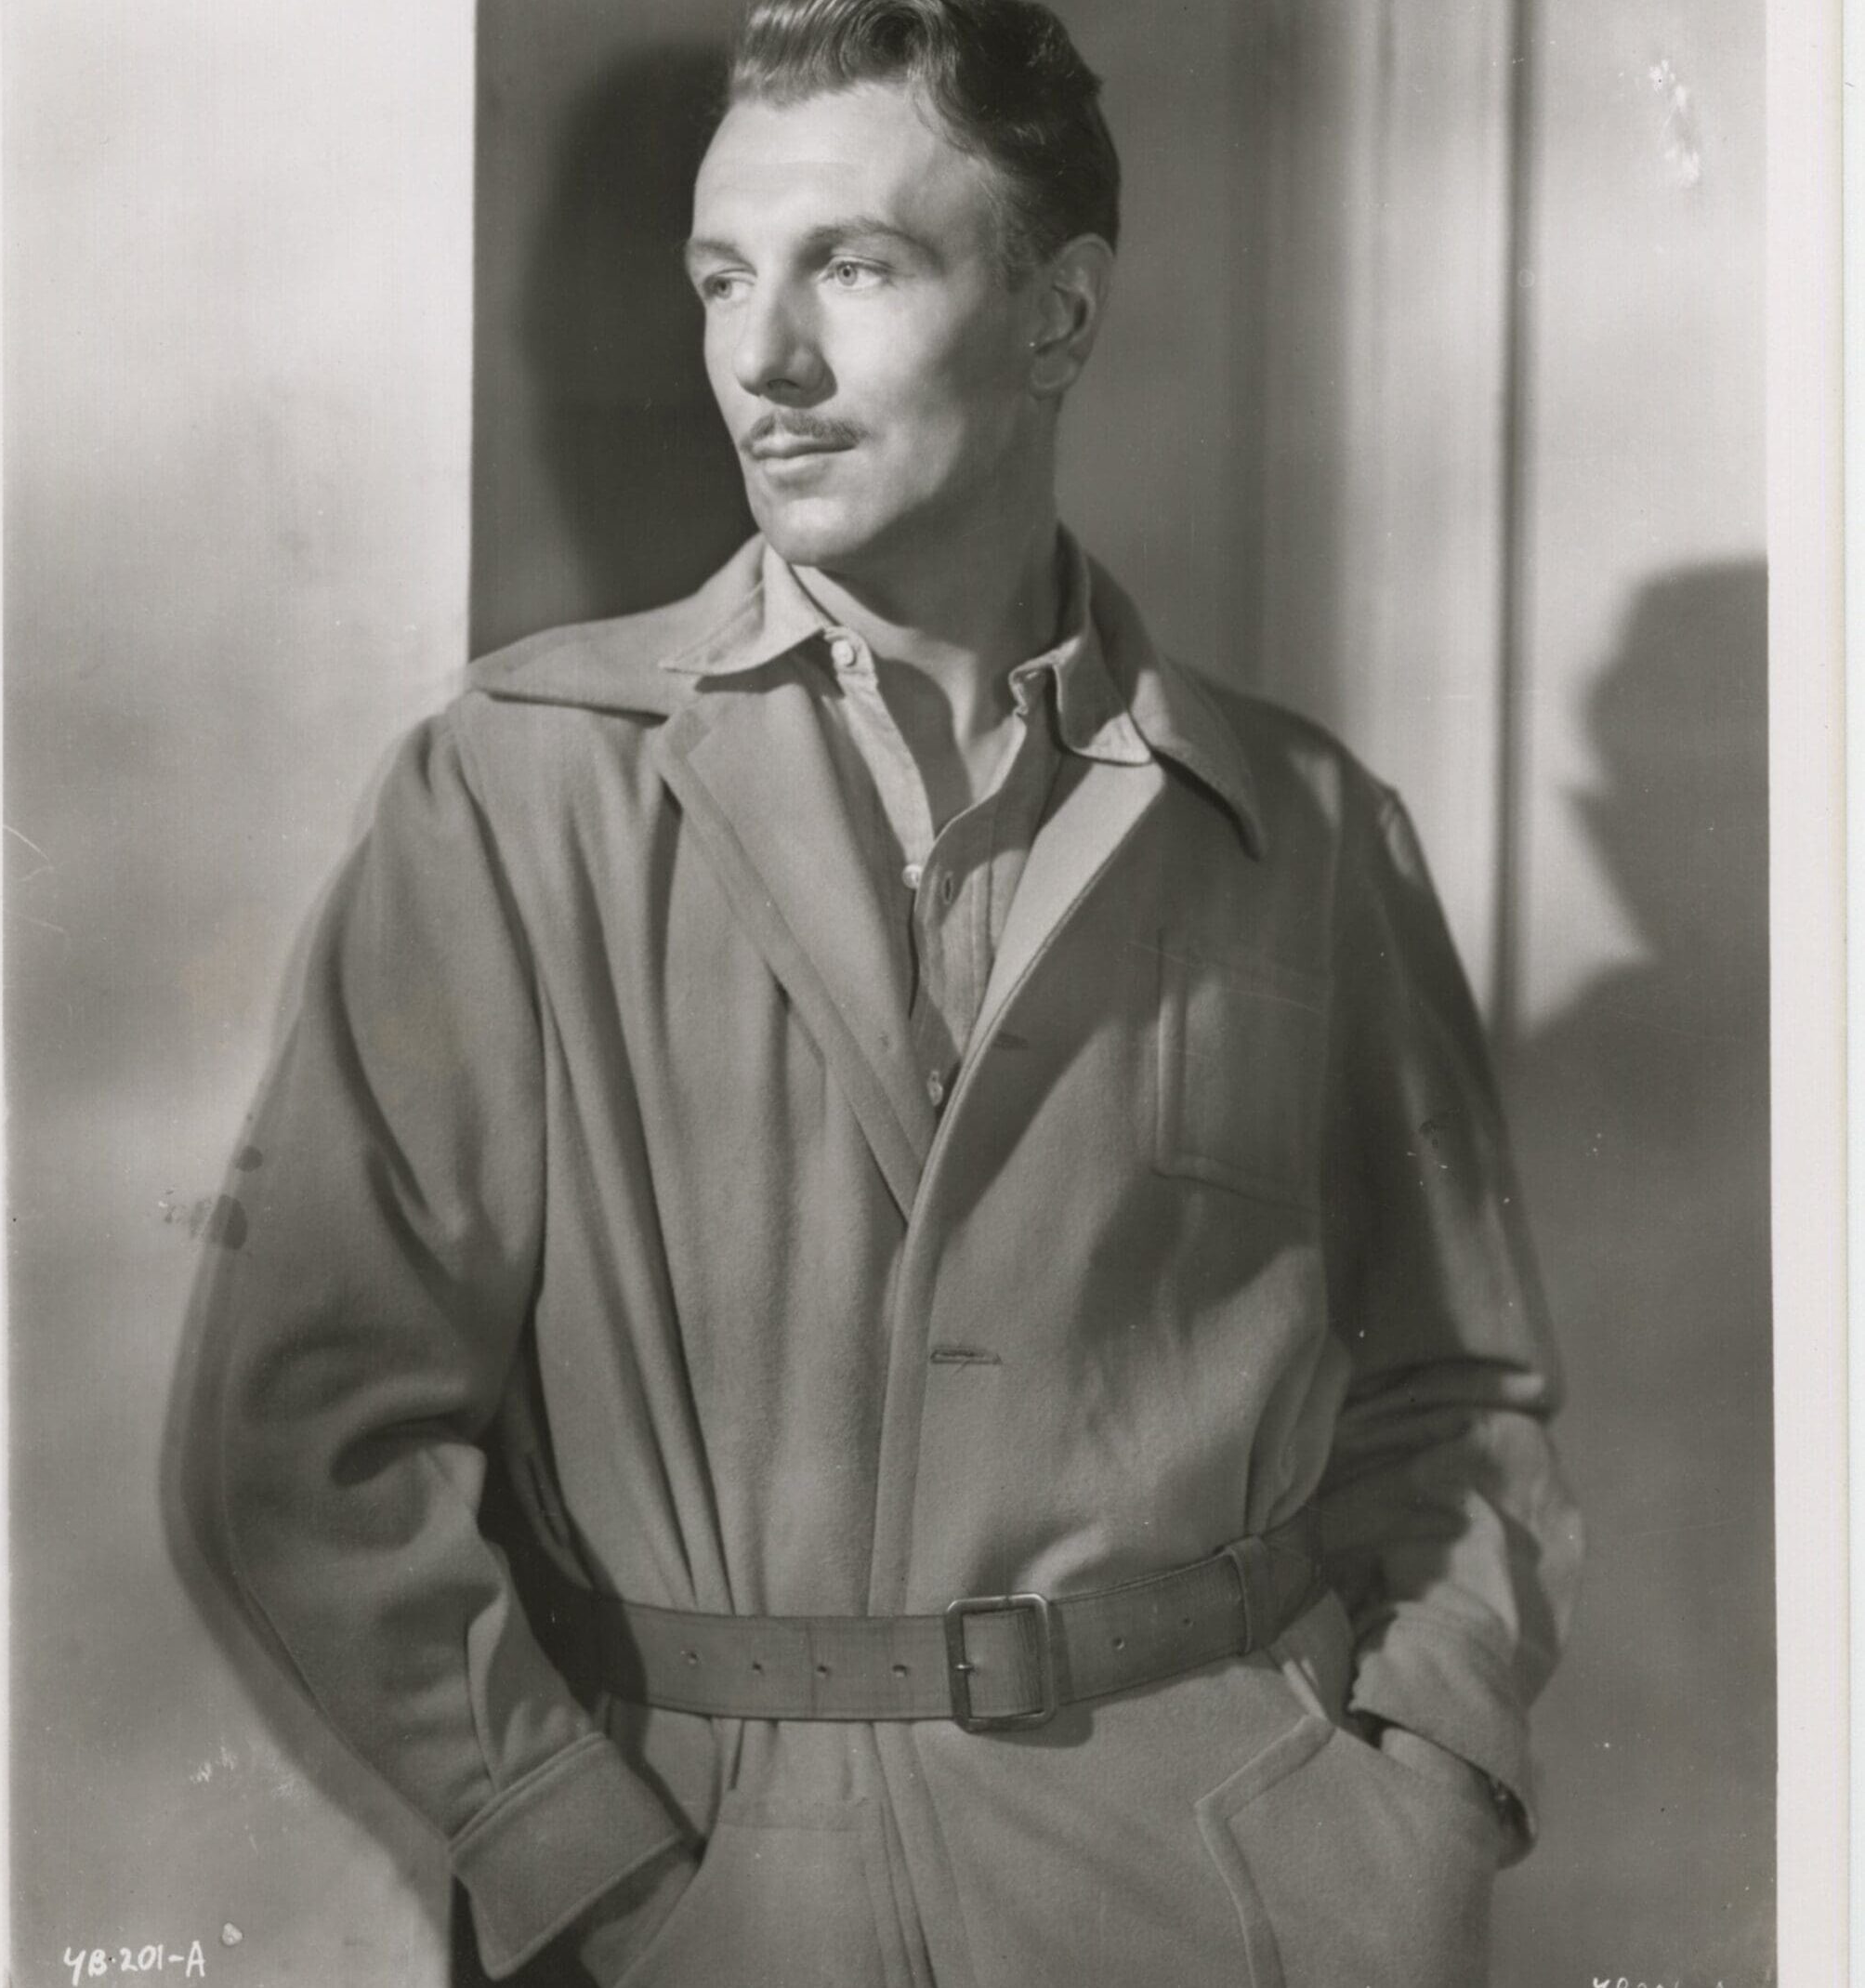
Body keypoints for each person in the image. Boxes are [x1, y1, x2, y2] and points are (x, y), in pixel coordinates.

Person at [177, 3, 1581, 1981]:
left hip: (1226, 1900)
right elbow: (309, 1435)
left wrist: (1402, 1817)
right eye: (721, 275)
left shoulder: (1308, 829)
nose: (763, 358)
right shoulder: (516, 788)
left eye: (853, 264)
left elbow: (1463, 1398)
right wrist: (585, 1864)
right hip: (716, 1895)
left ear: (1058, 314)